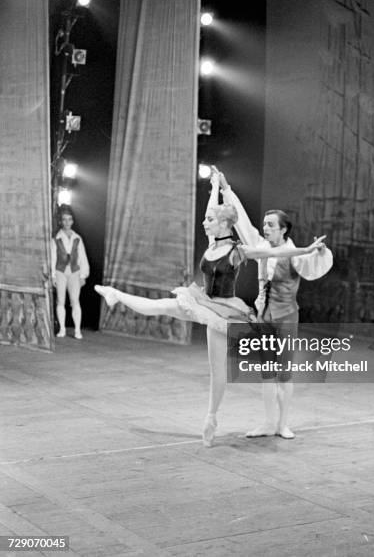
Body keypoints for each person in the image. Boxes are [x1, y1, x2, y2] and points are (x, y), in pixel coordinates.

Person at [95, 172, 326, 446]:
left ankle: (212, 417)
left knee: (219, 372)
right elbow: (211, 210)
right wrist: (215, 186)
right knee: (162, 306)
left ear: (225, 224)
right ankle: (115, 295)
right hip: (202, 300)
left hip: (224, 312)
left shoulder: (239, 251)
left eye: (210, 220)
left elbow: (275, 254)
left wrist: (306, 250)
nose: (205, 223)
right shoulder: (212, 244)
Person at [216, 167, 333, 439]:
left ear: (283, 230)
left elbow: (314, 266)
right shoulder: (261, 247)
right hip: (264, 317)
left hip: (286, 318)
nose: (265, 228)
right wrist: (226, 189)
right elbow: (242, 222)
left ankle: (283, 424)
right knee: (266, 372)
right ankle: (268, 424)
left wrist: (321, 251)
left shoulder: (294, 254)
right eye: (265, 224)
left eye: (271, 225)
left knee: (284, 374)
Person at [51, 205, 90, 339]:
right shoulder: (56, 238)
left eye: (69, 219)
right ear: (61, 221)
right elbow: (53, 258)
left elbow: (82, 257)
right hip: (61, 271)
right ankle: (62, 329)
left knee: (75, 300)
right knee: (60, 301)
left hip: (74, 272)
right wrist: (53, 275)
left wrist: (83, 275)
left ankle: (77, 330)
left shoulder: (77, 238)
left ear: (72, 221)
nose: (67, 222)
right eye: (64, 219)